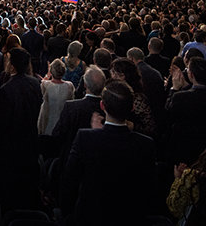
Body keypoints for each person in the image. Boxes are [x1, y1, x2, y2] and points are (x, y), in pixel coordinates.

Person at [62, 80, 159, 226]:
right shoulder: (146, 145)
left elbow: (69, 180)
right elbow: (150, 188)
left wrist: (95, 137)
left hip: (90, 217)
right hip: (130, 218)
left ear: (102, 106)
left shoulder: (85, 138)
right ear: (132, 107)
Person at [0, 47, 42, 209]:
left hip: (11, 144)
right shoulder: (35, 84)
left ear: (12, 66)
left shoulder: (6, 89)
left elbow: (0, 122)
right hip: (30, 139)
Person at [38, 59, 75, 135]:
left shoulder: (45, 85)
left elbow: (43, 82)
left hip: (47, 124)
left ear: (51, 71)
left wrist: (48, 75)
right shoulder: (69, 86)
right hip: (63, 125)